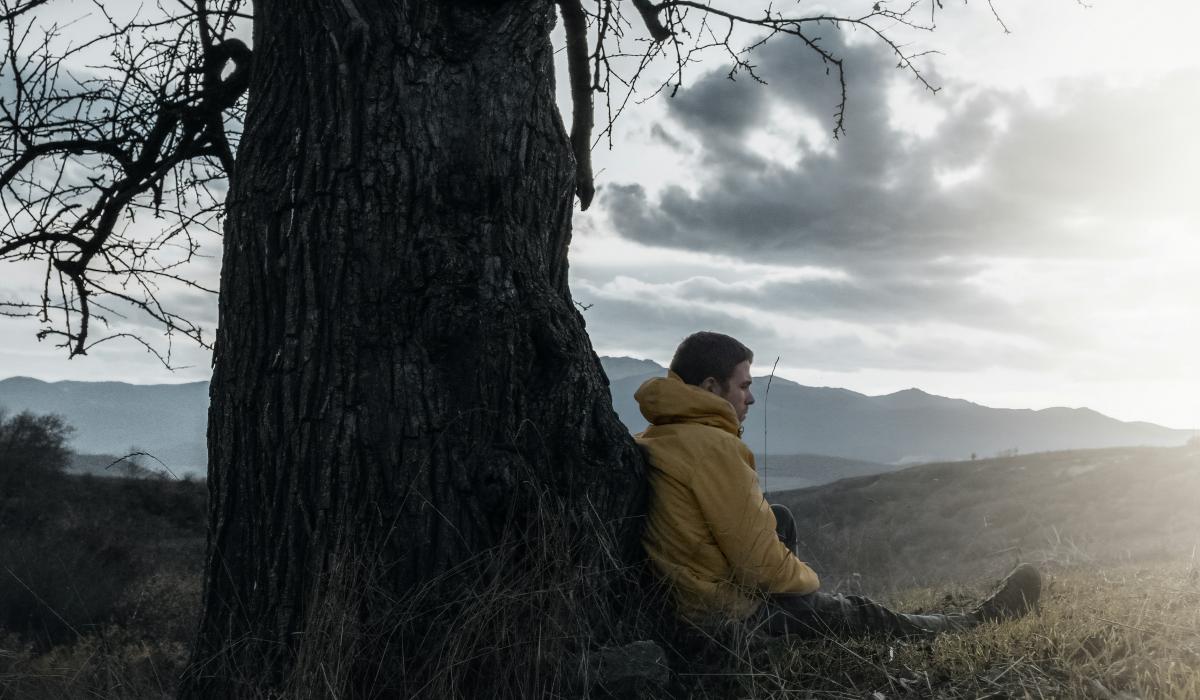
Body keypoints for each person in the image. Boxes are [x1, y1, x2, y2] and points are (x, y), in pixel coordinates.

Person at [635, 331, 1040, 638]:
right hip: (722, 620)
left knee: (779, 518)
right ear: (709, 388)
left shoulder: (660, 433)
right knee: (858, 614)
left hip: (689, 604)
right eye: (743, 386)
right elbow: (758, 564)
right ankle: (973, 622)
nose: (751, 399)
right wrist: (810, 589)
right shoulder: (712, 448)